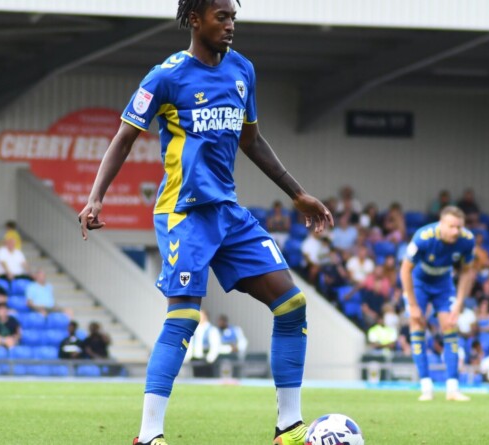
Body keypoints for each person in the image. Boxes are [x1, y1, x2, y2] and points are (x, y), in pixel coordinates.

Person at [77, 3, 332, 442]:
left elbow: (252, 140)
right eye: (221, 16)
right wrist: (95, 197)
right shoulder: (166, 76)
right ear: (195, 19)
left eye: (233, 16)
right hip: (184, 214)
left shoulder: (242, 70)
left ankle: (289, 427)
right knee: (184, 317)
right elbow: (124, 137)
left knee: (291, 305)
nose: (230, 25)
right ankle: (149, 435)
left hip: (228, 213)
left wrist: (296, 193)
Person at [400, 206, 477, 402]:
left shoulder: (467, 240)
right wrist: (413, 305)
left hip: (444, 284)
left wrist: (459, 303)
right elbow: (405, 270)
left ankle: (453, 389)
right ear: (441, 224)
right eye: (451, 226)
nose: (455, 231)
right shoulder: (423, 237)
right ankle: (426, 387)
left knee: (450, 326)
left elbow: (467, 271)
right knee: (417, 325)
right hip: (419, 283)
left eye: (459, 227)